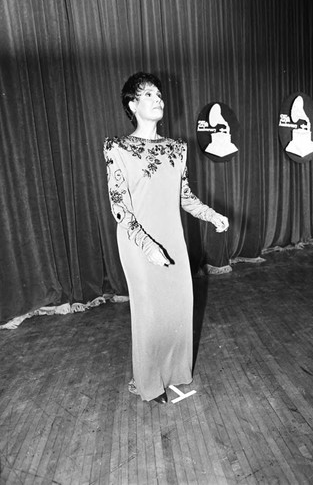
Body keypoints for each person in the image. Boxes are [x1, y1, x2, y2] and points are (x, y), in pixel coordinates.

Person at [103, 72, 229, 404]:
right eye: (148, 95)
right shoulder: (118, 147)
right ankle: (146, 382)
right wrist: (147, 245)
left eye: (159, 94)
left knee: (178, 305)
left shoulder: (177, 148)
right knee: (150, 311)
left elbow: (185, 197)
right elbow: (120, 207)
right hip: (136, 240)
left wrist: (210, 214)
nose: (158, 99)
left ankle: (172, 373)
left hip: (171, 237)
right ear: (133, 104)